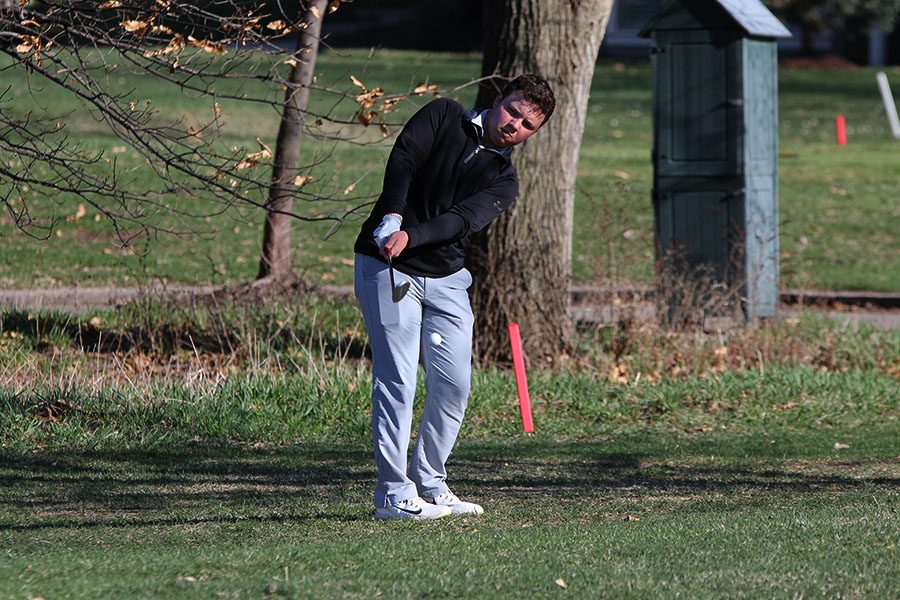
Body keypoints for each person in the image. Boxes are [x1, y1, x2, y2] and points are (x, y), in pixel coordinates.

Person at [353, 74, 555, 520]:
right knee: (398, 379)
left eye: (526, 126)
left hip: (446, 278)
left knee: (453, 384)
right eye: (513, 112)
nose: (514, 126)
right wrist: (392, 216)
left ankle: (430, 480)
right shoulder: (444, 115)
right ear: (499, 99)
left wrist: (412, 233)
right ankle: (392, 492)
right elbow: (404, 160)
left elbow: (461, 220)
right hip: (387, 267)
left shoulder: (504, 182)